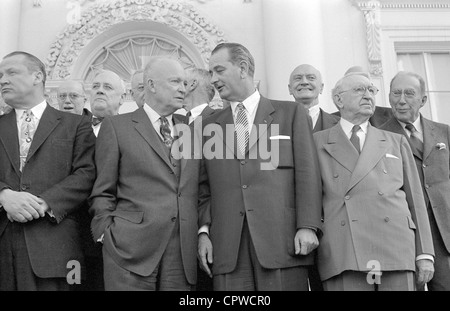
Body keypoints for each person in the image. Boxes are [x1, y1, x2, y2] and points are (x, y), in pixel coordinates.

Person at [198, 42, 322, 291]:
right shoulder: (206, 125)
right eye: (211, 73)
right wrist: (203, 232)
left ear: (242, 68)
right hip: (227, 249)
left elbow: (308, 175)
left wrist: (308, 226)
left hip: (283, 243)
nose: (213, 79)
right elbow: (202, 187)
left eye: (219, 70)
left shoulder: (292, 113)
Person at [89, 56, 205, 291]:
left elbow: (201, 187)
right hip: (127, 252)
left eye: (185, 83)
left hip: (181, 255)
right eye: (175, 82)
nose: (183, 89)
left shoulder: (193, 130)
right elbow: (103, 190)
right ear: (151, 85)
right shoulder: (116, 126)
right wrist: (105, 233)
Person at [313, 71, 435, 291]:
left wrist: (425, 252)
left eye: (372, 90)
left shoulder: (395, 141)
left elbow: (415, 199)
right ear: (338, 99)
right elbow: (308, 198)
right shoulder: (317, 142)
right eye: (360, 90)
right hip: (345, 250)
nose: (368, 95)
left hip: (396, 248)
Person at [0, 51, 96, 290]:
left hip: (56, 250)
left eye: (11, 72)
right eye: (1, 75)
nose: (2, 80)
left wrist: (43, 204)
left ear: (37, 77)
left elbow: (86, 174)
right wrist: (3, 196)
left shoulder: (76, 124)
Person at [380, 71, 450, 291]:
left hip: (444, 234)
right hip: (406, 234)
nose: (401, 100)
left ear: (423, 100)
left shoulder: (443, 132)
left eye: (409, 94)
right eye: (396, 93)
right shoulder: (379, 136)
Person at [288, 64, 339, 133]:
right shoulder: (275, 124)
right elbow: (273, 144)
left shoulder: (340, 125)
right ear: (290, 89)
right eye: (298, 78)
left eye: (311, 78)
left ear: (321, 87)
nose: (304, 82)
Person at [90, 70, 125, 136]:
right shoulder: (75, 128)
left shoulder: (130, 129)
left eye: (108, 87)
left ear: (122, 98)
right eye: (95, 86)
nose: (99, 90)